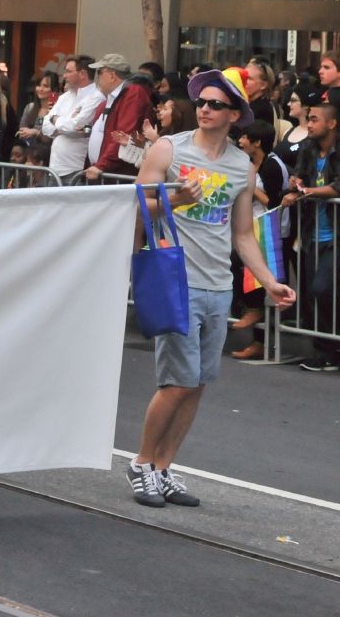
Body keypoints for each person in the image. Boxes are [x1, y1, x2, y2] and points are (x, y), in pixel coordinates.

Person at [130, 69, 294, 508]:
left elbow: (243, 234)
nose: (204, 109)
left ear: (234, 114)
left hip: (219, 285)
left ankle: (164, 468)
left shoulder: (241, 165)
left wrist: (269, 282)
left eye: (215, 104)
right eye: (201, 102)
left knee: (197, 383)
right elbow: (134, 202)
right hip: (175, 279)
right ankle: (142, 463)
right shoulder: (170, 148)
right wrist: (177, 199)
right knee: (178, 382)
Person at [281, 101, 340, 371]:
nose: (309, 124)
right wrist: (295, 183)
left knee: (323, 288)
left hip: (335, 233)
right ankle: (325, 350)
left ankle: (331, 347)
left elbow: (337, 186)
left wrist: (305, 192)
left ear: (331, 123)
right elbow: (300, 175)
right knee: (311, 291)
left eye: (314, 119)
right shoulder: (308, 146)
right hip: (310, 231)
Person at [230, 120, 288, 359]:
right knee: (239, 268)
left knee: (256, 277)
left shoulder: (272, 166)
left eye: (245, 137)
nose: (240, 141)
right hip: (252, 227)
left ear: (257, 143)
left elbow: (274, 202)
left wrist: (249, 184)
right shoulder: (252, 163)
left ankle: (259, 333)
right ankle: (255, 329)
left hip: (271, 230)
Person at [81, 54, 155, 181]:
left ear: (112, 75)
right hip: (105, 172)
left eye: (100, 72)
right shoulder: (114, 97)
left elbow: (123, 133)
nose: (97, 76)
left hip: (116, 175)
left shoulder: (133, 93)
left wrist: (102, 165)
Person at [42, 55, 102, 179]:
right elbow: (45, 126)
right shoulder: (65, 97)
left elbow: (74, 126)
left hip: (76, 169)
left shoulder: (96, 98)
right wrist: (67, 122)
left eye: (68, 71)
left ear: (82, 74)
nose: (64, 75)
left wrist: (55, 118)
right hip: (54, 168)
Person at [275, 85, 320, 170]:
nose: (288, 104)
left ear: (306, 105)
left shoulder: (315, 135)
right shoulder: (287, 131)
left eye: (293, 100)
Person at [16, 72, 58, 147]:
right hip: (28, 151)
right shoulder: (30, 107)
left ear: (54, 90)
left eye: (46, 86)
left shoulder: (57, 110)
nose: (40, 89)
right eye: (39, 85)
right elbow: (21, 131)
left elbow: (55, 136)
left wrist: (37, 133)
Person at [245, 60, 277, 125]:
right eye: (243, 77)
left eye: (249, 78)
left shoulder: (262, 109)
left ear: (263, 85)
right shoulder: (246, 104)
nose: (244, 81)